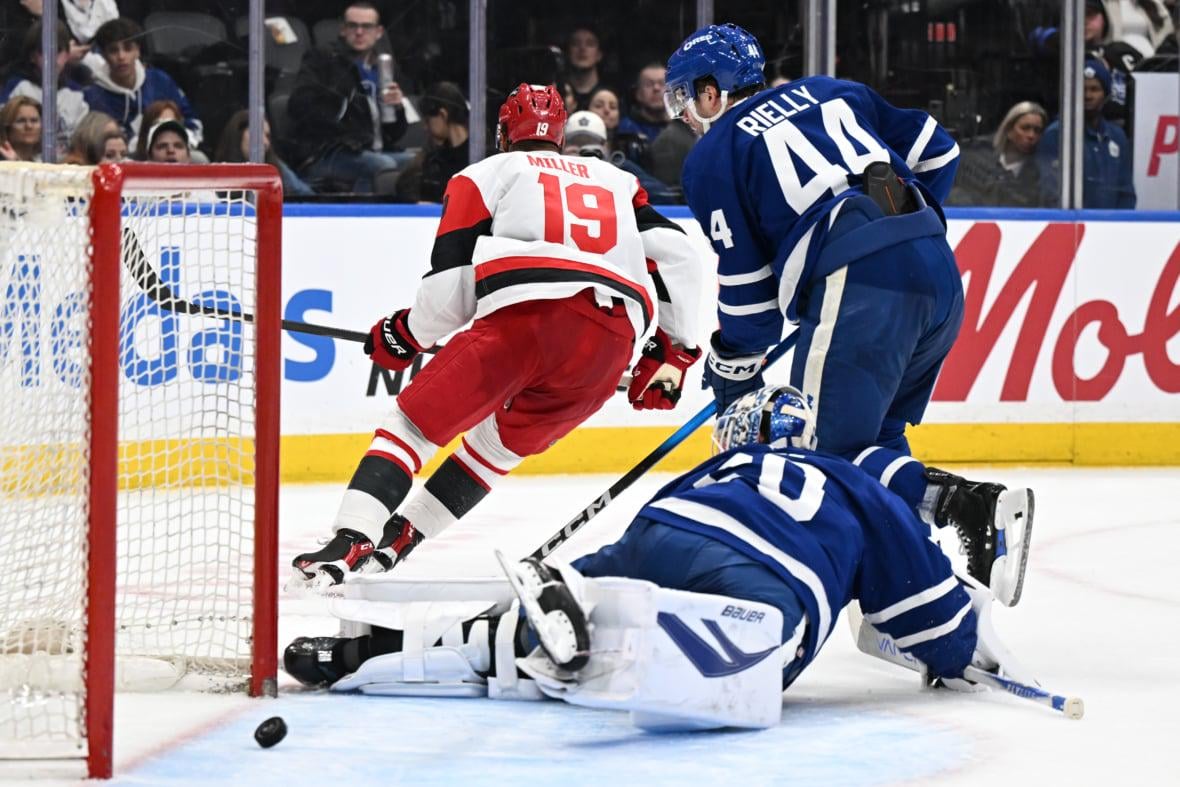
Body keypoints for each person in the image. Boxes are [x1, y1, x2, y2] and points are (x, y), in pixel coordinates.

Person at [284, 386, 1041, 732]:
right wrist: (959, 650)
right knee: (748, 664)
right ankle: (605, 638)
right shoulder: (856, 486)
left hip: (669, 530)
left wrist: (585, 575)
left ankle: (383, 651)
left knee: (562, 630)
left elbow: (640, 539)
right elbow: (927, 607)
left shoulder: (723, 468)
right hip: (764, 580)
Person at [662, 23, 1033, 606]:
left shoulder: (714, 154)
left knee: (823, 454)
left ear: (713, 92)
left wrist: (734, 364)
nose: (683, 114)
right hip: (935, 270)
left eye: (685, 97)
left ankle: (970, 507)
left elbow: (749, 297)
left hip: (860, 287)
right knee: (874, 440)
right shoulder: (834, 91)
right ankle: (914, 583)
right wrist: (893, 230)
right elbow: (941, 151)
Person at [288, 83, 705, 590]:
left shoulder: (487, 173)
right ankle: (402, 538)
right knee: (493, 451)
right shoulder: (618, 182)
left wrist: (405, 335)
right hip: (611, 344)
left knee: (412, 427)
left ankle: (350, 539)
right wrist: (673, 351)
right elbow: (681, 257)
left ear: (504, 134)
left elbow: (450, 290)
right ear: (560, 137)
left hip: (525, 322)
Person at [286, 1, 409, 193]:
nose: (359, 32)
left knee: (415, 163)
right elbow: (298, 103)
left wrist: (397, 109)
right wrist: (343, 102)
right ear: (343, 29)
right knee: (382, 166)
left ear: (378, 32)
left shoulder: (383, 68)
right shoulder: (323, 57)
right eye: (353, 26)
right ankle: (363, 211)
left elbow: (394, 134)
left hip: (374, 151)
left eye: (366, 26)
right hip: (329, 153)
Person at [81, 17, 204, 148]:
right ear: (104, 55)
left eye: (128, 48)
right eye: (113, 50)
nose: (121, 56)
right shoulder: (92, 94)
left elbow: (191, 120)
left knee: (199, 157)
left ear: (138, 51)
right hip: (120, 157)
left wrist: (186, 141)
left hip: (167, 153)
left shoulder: (160, 81)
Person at [1038, 58, 1135, 209]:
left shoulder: (1117, 136)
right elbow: (1051, 192)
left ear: (1106, 94)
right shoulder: (1057, 134)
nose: (1087, 95)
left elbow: (1126, 191)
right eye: (1082, 89)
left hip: (1111, 222)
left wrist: (1119, 220)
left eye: (1094, 89)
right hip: (1073, 221)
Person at [0, 21, 89, 148]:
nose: (51, 58)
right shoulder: (18, 87)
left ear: (67, 55)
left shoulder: (77, 94)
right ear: (32, 56)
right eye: (43, 51)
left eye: (58, 51)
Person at [563, 109, 678, 204]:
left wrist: (618, 181)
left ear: (605, 146)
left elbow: (663, 194)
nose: (583, 149)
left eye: (591, 142)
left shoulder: (619, 167)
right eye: (576, 142)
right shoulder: (557, 169)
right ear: (563, 145)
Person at [946, 101, 1047, 208]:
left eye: (1037, 131)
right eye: (1025, 128)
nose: (1031, 135)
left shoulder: (1039, 176)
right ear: (1009, 130)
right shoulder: (976, 161)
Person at [394, 81, 468, 203]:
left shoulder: (481, 156)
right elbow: (404, 187)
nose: (425, 127)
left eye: (428, 120)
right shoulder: (432, 159)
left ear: (443, 115)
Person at [213, 109, 314, 197]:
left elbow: (308, 196)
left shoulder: (276, 167)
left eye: (267, 136)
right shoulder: (216, 173)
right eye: (257, 133)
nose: (265, 142)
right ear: (238, 136)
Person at [564, 26, 608, 111]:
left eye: (590, 44)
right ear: (568, 52)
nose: (582, 48)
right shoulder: (557, 92)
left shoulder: (610, 94)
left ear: (599, 54)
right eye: (575, 43)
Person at [0, 95, 42, 161]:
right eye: (21, 121)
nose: (29, 126)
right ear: (7, 128)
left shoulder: (44, 160)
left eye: (34, 120)